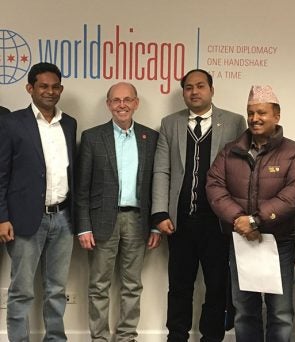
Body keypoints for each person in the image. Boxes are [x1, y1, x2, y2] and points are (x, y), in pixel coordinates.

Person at [206, 85, 295, 342]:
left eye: (261, 112)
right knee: (244, 310)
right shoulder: (231, 150)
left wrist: (255, 220)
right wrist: (239, 220)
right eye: (250, 113)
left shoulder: (294, 152)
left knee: (281, 312)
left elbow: (293, 195)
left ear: (277, 115)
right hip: (242, 242)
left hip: (280, 243)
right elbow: (214, 185)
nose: (254, 118)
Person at [152, 69, 246, 342]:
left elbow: (240, 173)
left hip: (218, 222)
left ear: (211, 90)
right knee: (179, 285)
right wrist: (160, 212)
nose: (194, 92)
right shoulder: (170, 123)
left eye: (200, 86)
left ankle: (212, 337)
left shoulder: (234, 122)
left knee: (216, 285)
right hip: (179, 221)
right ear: (184, 93)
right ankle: (177, 336)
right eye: (188, 87)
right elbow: (162, 170)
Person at [75, 82, 161, 342]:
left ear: (136, 103)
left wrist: (156, 224)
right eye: (116, 100)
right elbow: (82, 188)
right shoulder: (92, 137)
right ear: (108, 104)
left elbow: (156, 185)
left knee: (132, 285)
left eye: (127, 99)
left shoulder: (151, 138)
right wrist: (84, 226)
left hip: (138, 221)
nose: (121, 104)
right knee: (99, 286)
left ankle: (126, 337)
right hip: (101, 221)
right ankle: (99, 338)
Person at [0, 62, 77, 341]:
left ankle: (55, 339)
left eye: (55, 86)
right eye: (43, 86)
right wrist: (2, 217)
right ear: (30, 88)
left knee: (56, 289)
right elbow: (2, 173)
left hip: (63, 219)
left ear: (61, 89)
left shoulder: (68, 123)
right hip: (23, 219)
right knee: (21, 291)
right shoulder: (11, 123)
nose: (50, 91)